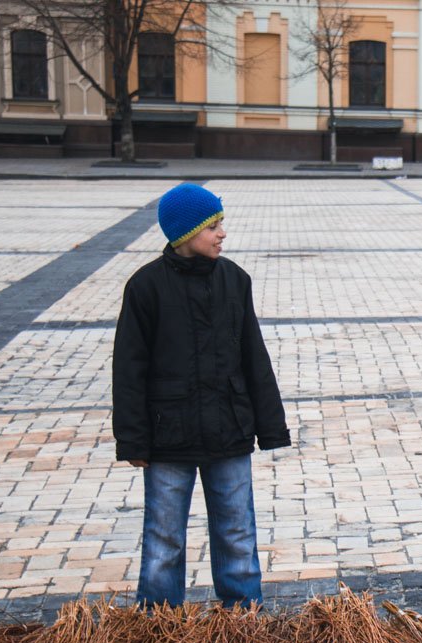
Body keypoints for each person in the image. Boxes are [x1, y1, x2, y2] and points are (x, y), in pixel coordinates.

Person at [113, 183, 290, 609]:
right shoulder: (146, 287)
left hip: (229, 430)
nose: (222, 233)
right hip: (167, 437)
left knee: (236, 532)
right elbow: (129, 370)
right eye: (213, 226)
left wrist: (270, 427)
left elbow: (254, 358)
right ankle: (158, 622)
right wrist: (133, 440)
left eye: (221, 224)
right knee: (164, 536)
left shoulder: (234, 280)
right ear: (185, 232)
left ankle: (243, 617)